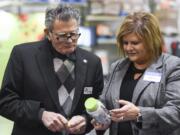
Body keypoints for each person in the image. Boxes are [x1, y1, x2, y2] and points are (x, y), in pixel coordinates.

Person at [0, 4, 104, 135]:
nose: (69, 40)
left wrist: (86, 119)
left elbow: (100, 102)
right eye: (62, 35)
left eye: (74, 34)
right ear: (48, 33)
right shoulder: (23, 55)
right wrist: (40, 114)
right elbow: (5, 102)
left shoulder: (92, 62)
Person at [92, 12, 180, 135]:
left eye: (135, 43)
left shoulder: (172, 67)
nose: (128, 48)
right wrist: (102, 118)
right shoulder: (117, 67)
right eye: (125, 43)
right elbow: (106, 101)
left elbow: (175, 113)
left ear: (151, 41)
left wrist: (139, 114)